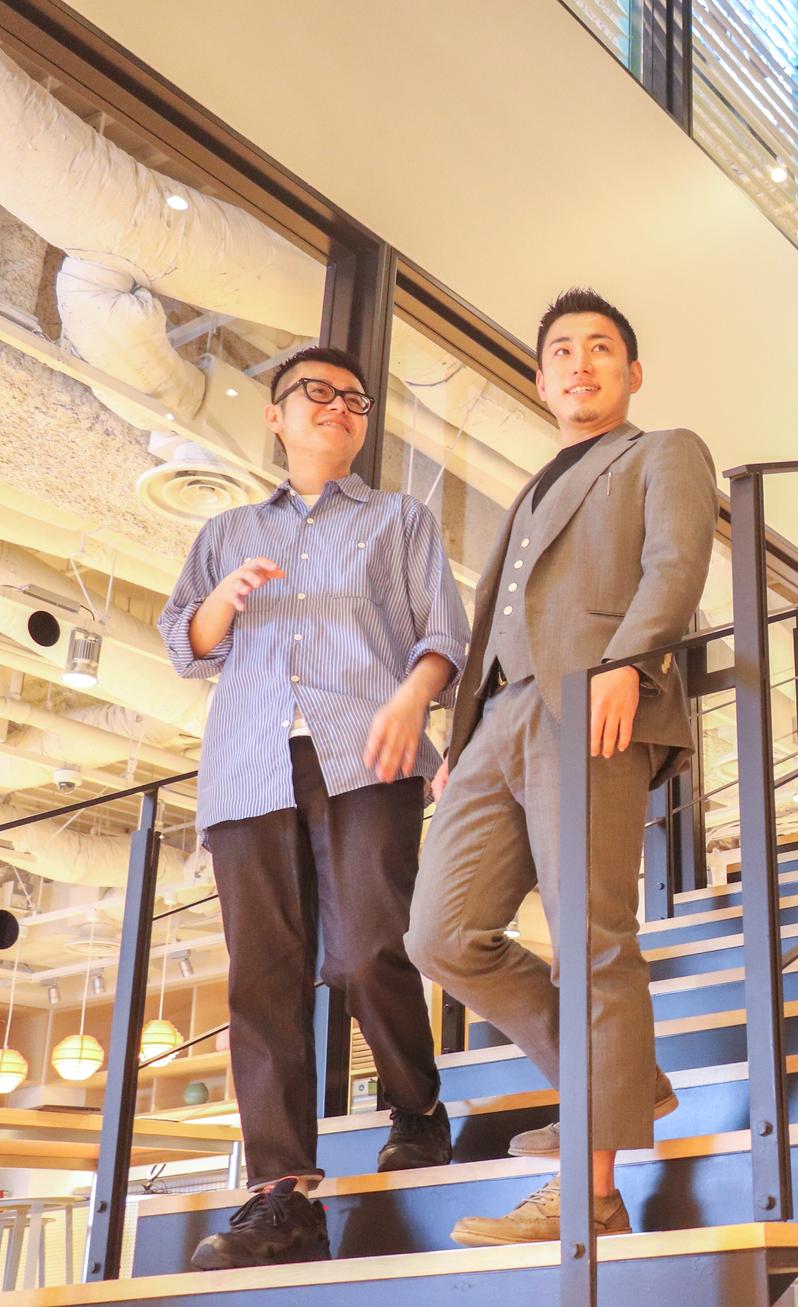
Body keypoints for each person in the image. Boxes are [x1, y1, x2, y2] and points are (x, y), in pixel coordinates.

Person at [406, 288, 717, 1246]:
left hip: (591, 705)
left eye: (600, 347)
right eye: (561, 352)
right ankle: (620, 1083)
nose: (580, 362)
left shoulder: (663, 451)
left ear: (632, 371)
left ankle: (591, 1193)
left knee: (592, 938)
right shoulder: (533, 487)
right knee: (440, 935)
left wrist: (629, 661)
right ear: (541, 380)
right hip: (494, 721)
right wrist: (460, 739)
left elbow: (676, 564)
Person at [159, 345, 469, 1269]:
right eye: (317, 393)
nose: (339, 407)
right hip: (248, 767)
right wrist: (220, 602)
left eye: (355, 399)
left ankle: (416, 1105)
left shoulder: (400, 520)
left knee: (370, 944)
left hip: (368, 752)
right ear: (277, 416)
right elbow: (184, 642)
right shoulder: (225, 531)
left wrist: (412, 700)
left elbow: (444, 634)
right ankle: (282, 1194)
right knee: (263, 976)